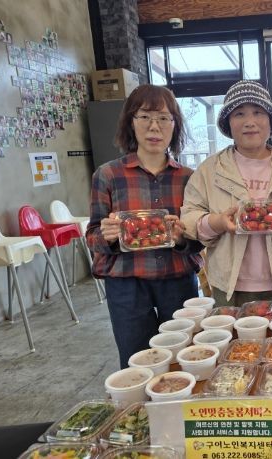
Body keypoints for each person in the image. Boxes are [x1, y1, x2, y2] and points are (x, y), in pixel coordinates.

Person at [86, 85, 203, 368]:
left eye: (163, 118)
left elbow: (200, 238)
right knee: (136, 360)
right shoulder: (108, 175)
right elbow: (92, 235)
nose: (154, 127)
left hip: (177, 281)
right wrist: (108, 236)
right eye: (145, 117)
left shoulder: (189, 178)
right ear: (131, 121)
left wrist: (182, 238)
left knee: (183, 359)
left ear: (175, 125)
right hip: (126, 285)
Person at [181, 80, 272, 307]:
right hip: (229, 288)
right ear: (228, 123)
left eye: (258, 112)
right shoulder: (209, 171)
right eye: (239, 114)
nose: (249, 122)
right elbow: (189, 218)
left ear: (271, 121)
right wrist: (218, 222)